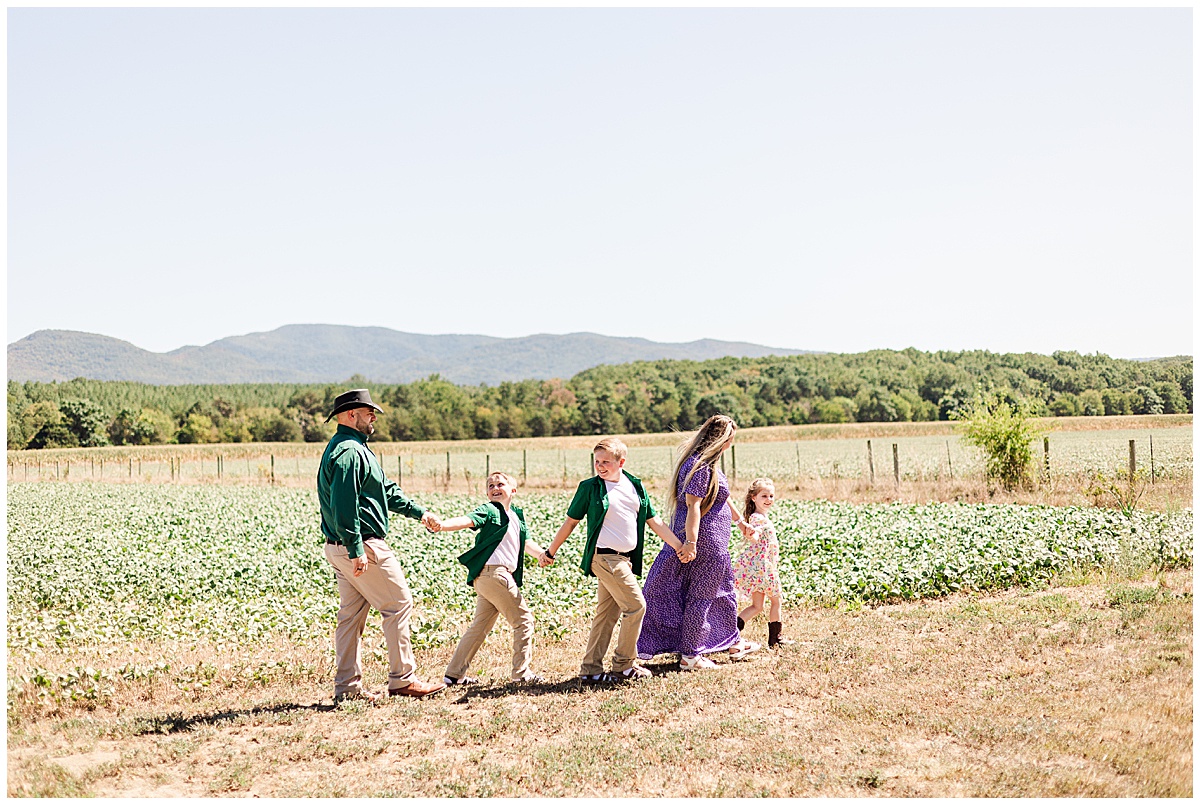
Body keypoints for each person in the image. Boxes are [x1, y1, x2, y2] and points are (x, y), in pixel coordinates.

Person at [318, 388, 447, 702]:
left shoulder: (349, 447)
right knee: (398, 604)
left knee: (351, 616)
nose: (374, 416)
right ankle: (403, 679)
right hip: (361, 546)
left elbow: (384, 490)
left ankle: (347, 688)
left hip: (338, 547)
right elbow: (344, 503)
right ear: (352, 415)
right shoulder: (350, 452)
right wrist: (356, 548)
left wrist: (419, 512)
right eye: (369, 411)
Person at [540, 437, 686, 683]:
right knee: (636, 606)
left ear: (621, 462)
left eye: (606, 461)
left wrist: (679, 546)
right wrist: (550, 551)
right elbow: (571, 522)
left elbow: (654, 521)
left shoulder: (634, 486)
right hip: (604, 558)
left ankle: (590, 670)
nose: (600, 466)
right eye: (597, 461)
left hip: (624, 559)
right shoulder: (590, 488)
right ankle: (624, 665)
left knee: (606, 615)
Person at [636, 414, 762, 671]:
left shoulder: (705, 464)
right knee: (701, 597)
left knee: (700, 594)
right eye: (730, 440)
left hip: (706, 540)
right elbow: (694, 506)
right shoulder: (702, 466)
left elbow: (722, 497)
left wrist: (740, 523)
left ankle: (721, 642)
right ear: (722, 440)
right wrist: (691, 542)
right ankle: (691, 655)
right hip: (705, 541)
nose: (730, 445)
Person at [434, 472, 550, 686]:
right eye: (490, 485)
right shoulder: (489, 510)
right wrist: (442, 525)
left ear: (513, 490)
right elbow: (468, 520)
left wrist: (541, 555)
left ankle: (454, 675)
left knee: (479, 626)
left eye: (500, 484)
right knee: (523, 621)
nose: (495, 488)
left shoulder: (515, 515)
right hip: (495, 574)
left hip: (487, 577)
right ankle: (521, 673)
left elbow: (524, 541)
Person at [732, 477, 793, 649]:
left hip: (759, 568)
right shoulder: (757, 518)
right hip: (765, 568)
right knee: (776, 600)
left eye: (771, 496)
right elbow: (756, 535)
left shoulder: (758, 516)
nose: (768, 500)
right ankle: (776, 638)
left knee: (757, 606)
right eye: (764, 496)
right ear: (754, 497)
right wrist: (752, 534)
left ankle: (731, 633)